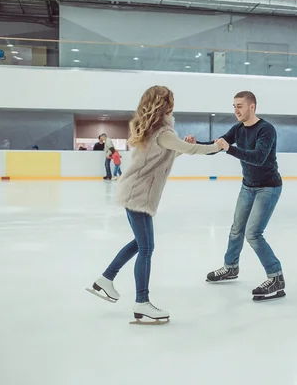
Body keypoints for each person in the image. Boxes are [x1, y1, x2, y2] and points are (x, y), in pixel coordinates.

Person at [86, 85, 222, 324]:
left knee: (141, 244)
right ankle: (141, 302)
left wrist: (182, 146)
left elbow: (164, 155)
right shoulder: (162, 132)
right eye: (171, 101)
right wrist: (216, 147)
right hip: (139, 195)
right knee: (146, 247)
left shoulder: (151, 130)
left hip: (134, 192)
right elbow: (191, 148)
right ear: (165, 104)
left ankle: (106, 279)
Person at [184, 91, 285, 302]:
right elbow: (216, 146)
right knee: (236, 229)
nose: (236, 110)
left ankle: (276, 278)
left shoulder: (266, 130)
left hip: (268, 187)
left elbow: (258, 158)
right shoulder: (238, 129)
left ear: (252, 107)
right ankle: (230, 268)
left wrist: (230, 149)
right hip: (248, 186)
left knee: (253, 234)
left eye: (240, 105)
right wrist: (195, 144)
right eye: (234, 106)